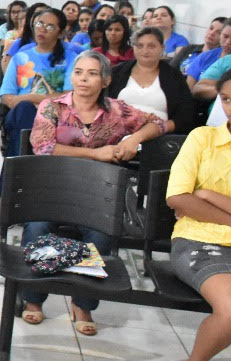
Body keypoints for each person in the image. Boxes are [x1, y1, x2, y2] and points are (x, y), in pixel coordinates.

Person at [23, 50, 165, 334]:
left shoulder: (118, 111)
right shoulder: (53, 107)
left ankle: (83, 302)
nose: (83, 79)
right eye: (78, 73)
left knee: (101, 235)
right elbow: (44, 147)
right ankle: (34, 298)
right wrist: (96, 154)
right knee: (38, 228)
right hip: (53, 187)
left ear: (105, 80)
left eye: (91, 74)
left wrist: (134, 138)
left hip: (96, 194)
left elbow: (158, 123)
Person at [164, 65, 231, 361]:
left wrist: (208, 195)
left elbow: (194, 197)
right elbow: (178, 198)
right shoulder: (203, 139)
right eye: (226, 99)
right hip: (200, 239)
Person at [0, 7, 77, 156]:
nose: (42, 29)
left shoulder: (71, 58)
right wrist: (28, 102)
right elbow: (6, 96)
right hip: (21, 112)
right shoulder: (20, 57)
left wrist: (31, 98)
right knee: (24, 110)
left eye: (50, 26)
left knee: (26, 111)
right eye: (39, 24)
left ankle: (19, 162)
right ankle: (21, 162)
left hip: (56, 115)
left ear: (60, 33)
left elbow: (69, 96)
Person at [108, 28, 196, 134]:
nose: (145, 51)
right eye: (140, 46)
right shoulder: (117, 72)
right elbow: (103, 104)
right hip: (117, 133)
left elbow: (186, 116)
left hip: (160, 136)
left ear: (162, 48)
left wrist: (161, 127)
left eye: (151, 46)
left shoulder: (174, 77)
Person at [193, 16, 231, 101]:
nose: (228, 42)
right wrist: (226, 90)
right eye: (225, 36)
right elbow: (197, 88)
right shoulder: (227, 61)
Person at [182, 16, 228, 89]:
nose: (212, 33)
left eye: (219, 32)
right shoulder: (189, 49)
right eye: (211, 28)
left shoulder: (221, 59)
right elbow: (172, 68)